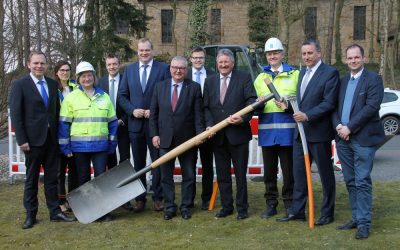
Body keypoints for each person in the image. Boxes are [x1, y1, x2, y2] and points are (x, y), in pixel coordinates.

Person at [276, 39, 339, 226]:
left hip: (319, 134)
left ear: (319, 53)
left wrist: (308, 115)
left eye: (310, 53)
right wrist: (288, 106)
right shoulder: (302, 72)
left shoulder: (330, 73)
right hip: (300, 134)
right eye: (304, 54)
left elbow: (329, 103)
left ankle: (327, 213)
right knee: (299, 175)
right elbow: (300, 105)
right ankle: (297, 211)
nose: (306, 57)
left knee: (325, 175)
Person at [10, 51, 75, 229]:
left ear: (46, 65)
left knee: (52, 179)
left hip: (51, 141)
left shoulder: (53, 84)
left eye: (42, 63)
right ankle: (31, 215)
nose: (39, 66)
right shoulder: (20, 85)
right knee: (31, 180)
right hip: (31, 141)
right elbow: (16, 114)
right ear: (28, 64)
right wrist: (22, 139)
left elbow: (55, 113)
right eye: (36, 63)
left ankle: (55, 212)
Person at [332, 44, 384, 239]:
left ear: (363, 58)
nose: (353, 61)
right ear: (346, 60)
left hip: (363, 138)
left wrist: (350, 127)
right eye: (350, 58)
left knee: (362, 181)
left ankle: (364, 223)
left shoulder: (373, 79)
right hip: (343, 139)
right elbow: (333, 107)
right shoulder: (343, 81)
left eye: (356, 57)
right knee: (351, 180)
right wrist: (338, 126)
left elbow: (371, 107)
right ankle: (356, 217)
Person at [58, 61, 118, 222]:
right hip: (79, 147)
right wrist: (65, 145)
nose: (87, 79)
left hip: (100, 146)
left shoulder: (104, 96)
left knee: (101, 179)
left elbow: (112, 122)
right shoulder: (71, 98)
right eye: (83, 76)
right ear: (78, 79)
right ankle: (85, 211)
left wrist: (112, 143)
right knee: (82, 179)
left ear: (94, 77)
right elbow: (64, 124)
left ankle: (103, 211)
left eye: (89, 75)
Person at [203, 48, 257, 220]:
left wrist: (243, 118)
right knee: (222, 174)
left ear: (232, 63)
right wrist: (210, 125)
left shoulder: (244, 78)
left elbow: (251, 101)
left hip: (238, 134)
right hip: (218, 136)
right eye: (221, 62)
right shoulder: (209, 81)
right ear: (217, 64)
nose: (223, 65)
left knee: (240, 175)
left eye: (226, 62)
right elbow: (206, 107)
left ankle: (242, 208)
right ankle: (227, 207)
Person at [118, 38, 170, 212]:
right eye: (141, 50)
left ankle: (158, 197)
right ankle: (140, 198)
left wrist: (153, 111)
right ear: (137, 51)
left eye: (147, 50)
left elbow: (168, 95)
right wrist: (132, 111)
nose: (144, 53)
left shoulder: (163, 69)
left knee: (157, 162)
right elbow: (122, 96)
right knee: (139, 163)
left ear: (152, 51)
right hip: (135, 125)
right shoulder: (129, 70)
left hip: (156, 126)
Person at [149, 56, 204, 220]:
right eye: (175, 67)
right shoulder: (160, 87)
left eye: (181, 68)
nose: (178, 70)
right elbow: (153, 115)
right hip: (165, 140)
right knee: (166, 177)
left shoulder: (194, 88)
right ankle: (170, 207)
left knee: (189, 175)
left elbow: (198, 115)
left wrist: (199, 135)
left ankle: (186, 207)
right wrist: (154, 134)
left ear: (186, 70)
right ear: (170, 69)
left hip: (187, 141)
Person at [253, 38, 298, 218]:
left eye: (276, 53)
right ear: (266, 56)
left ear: (282, 54)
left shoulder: (295, 75)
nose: (272, 56)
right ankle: (271, 204)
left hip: (288, 132)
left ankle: (289, 204)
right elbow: (255, 103)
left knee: (289, 173)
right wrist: (258, 104)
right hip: (267, 132)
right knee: (269, 173)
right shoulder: (260, 78)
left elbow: (300, 102)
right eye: (269, 54)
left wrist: (287, 104)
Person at [98, 54, 133, 211]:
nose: (112, 67)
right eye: (109, 64)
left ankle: (125, 198)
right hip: (105, 128)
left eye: (114, 64)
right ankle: (112, 196)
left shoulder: (127, 79)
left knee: (124, 161)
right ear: (106, 66)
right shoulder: (100, 82)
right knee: (110, 161)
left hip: (123, 126)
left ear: (119, 65)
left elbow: (131, 102)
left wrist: (122, 119)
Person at [187, 46, 215, 210]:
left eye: (201, 58)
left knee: (207, 164)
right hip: (189, 127)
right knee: (189, 165)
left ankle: (207, 198)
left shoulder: (212, 75)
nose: (198, 60)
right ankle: (189, 198)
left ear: (205, 59)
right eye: (195, 57)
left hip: (207, 126)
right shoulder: (185, 74)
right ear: (190, 59)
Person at [54, 60, 79, 213]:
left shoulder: (75, 87)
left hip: (74, 133)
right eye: (62, 70)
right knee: (59, 171)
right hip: (58, 134)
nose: (65, 72)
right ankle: (61, 201)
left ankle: (73, 199)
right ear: (57, 72)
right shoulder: (53, 88)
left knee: (74, 169)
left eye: (67, 70)